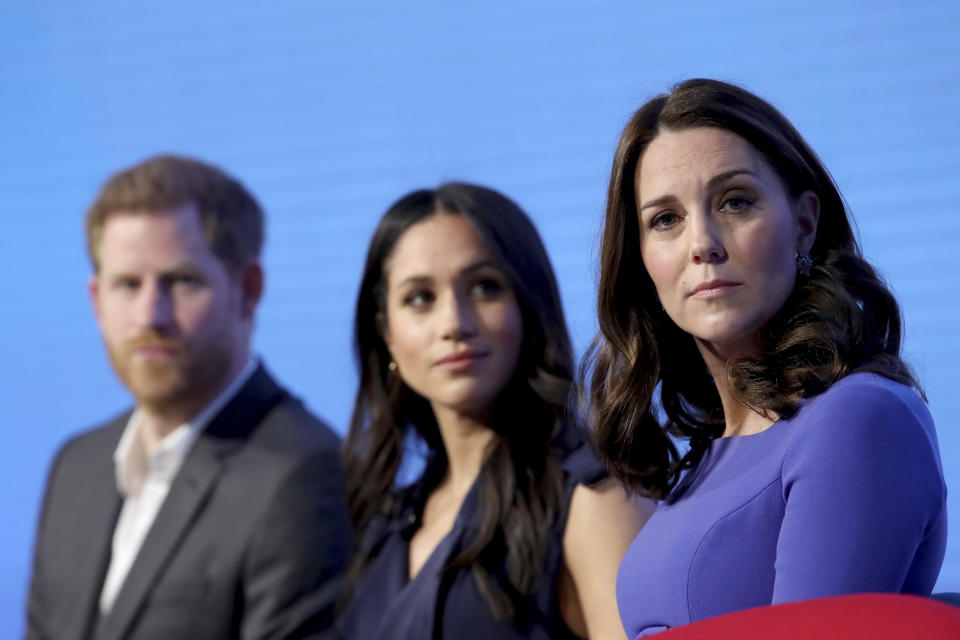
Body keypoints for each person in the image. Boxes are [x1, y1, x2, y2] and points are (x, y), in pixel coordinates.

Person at [584, 79, 947, 638]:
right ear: (641, 259)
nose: (702, 242)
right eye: (665, 219)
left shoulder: (857, 419)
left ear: (803, 223)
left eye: (735, 202)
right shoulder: (704, 459)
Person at [27, 155, 351, 640]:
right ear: (96, 301)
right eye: (127, 284)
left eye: (181, 282)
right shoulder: (75, 467)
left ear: (248, 290)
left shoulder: (307, 474)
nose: (150, 314)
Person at [337, 183, 651, 640]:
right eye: (420, 298)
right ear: (385, 333)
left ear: (528, 305)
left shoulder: (594, 494)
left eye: (485, 287)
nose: (455, 324)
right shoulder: (382, 523)